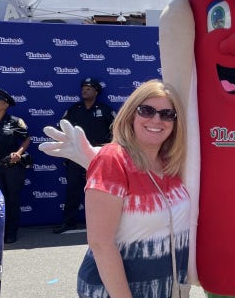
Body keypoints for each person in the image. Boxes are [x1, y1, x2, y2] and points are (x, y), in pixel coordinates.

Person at [77, 79, 189, 298]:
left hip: (167, 287)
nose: (157, 119)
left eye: (167, 114)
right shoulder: (113, 159)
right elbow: (100, 244)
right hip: (118, 291)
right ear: (131, 114)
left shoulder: (172, 164)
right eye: (146, 110)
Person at [54, 77, 115, 234]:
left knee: (102, 192)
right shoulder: (74, 109)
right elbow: (62, 129)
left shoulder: (106, 110)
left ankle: (105, 224)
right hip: (77, 156)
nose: (84, 90)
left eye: (88, 88)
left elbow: (116, 131)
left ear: (96, 91)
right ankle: (68, 222)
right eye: (83, 88)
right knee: (73, 189)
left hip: (99, 157)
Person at [0, 88, 31, 244]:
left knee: (12, 200)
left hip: (11, 167)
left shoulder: (15, 121)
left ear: (5, 104)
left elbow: (27, 139)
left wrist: (19, 152)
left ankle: (11, 232)